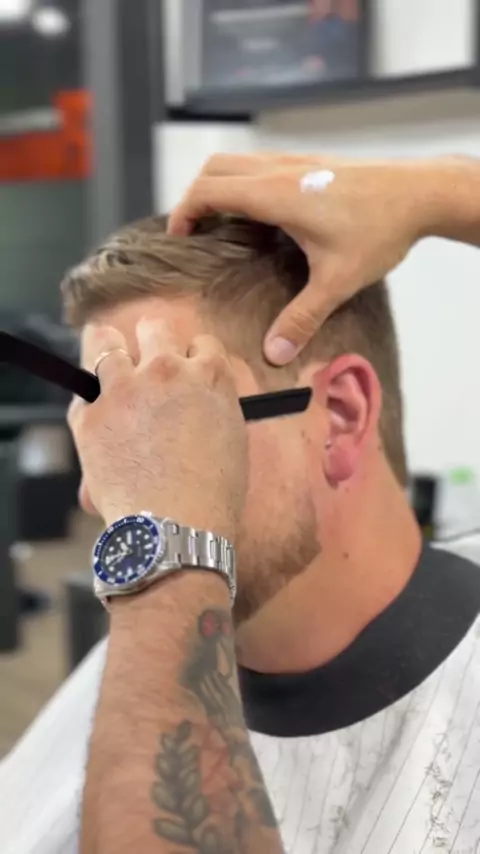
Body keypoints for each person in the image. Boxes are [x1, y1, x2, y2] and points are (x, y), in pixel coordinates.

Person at [0, 155, 479, 854]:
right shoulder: (139, 661)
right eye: (107, 444)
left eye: (164, 425)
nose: (100, 496)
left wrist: (445, 189)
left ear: (340, 416)